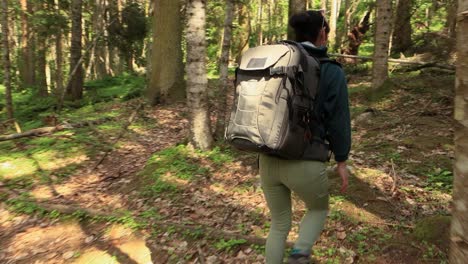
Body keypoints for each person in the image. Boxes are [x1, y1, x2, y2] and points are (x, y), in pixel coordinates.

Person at [259, 10, 351, 264]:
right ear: (322, 33)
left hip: (268, 158)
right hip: (306, 161)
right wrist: (342, 161)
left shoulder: (277, 61)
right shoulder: (331, 70)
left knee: (278, 224)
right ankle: (300, 254)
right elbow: (339, 121)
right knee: (318, 208)